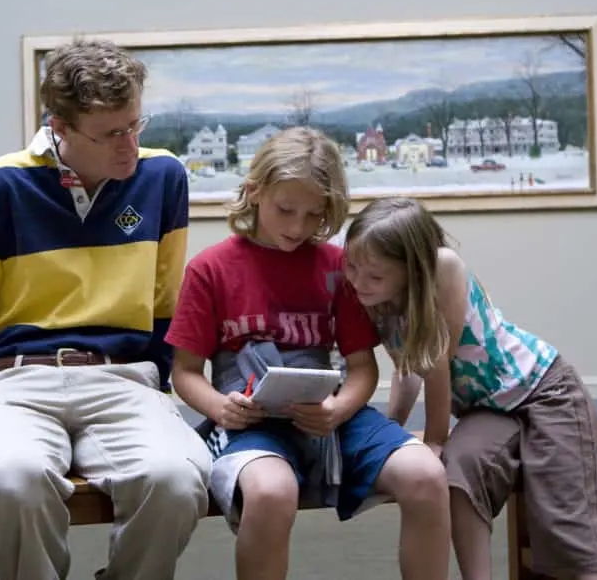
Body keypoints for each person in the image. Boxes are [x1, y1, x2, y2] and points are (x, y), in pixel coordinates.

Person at [0, 38, 212, 580]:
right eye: (110, 134)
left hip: (122, 381)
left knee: (176, 479)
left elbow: (165, 305)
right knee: (11, 479)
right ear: (61, 127)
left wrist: (162, 397)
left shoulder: (163, 176)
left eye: (136, 126)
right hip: (13, 384)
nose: (129, 146)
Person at [167, 127, 450, 580]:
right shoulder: (210, 269)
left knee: (426, 476)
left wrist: (338, 408)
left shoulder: (337, 265)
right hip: (248, 424)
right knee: (271, 492)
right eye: (285, 210)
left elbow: (361, 368)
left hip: (328, 415)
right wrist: (221, 407)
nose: (298, 228)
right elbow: (184, 372)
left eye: (313, 215)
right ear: (255, 191)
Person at [343, 196, 597, 580]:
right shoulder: (377, 300)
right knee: (458, 477)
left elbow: (437, 362)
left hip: (545, 391)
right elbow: (408, 372)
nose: (358, 282)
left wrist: (436, 439)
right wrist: (390, 433)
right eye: (352, 267)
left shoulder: (443, 268)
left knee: (565, 521)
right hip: (487, 410)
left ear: (412, 271)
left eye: (373, 276)